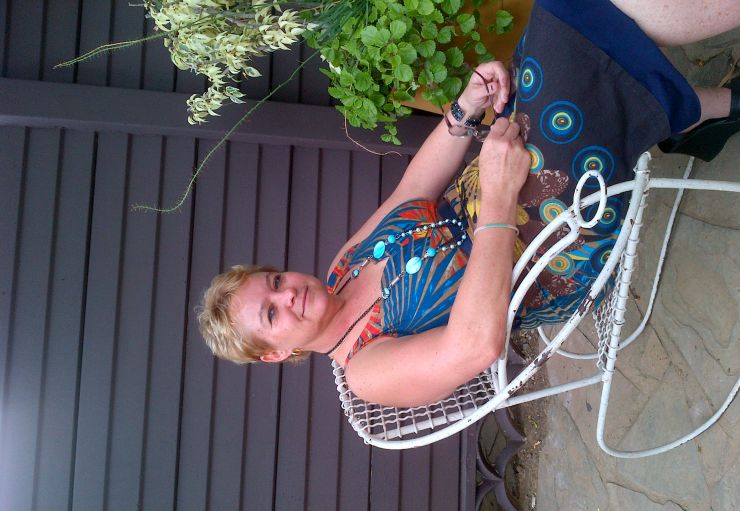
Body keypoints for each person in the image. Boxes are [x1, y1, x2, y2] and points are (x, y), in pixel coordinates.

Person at [198, 0, 740, 408]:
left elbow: (412, 192)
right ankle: (701, 112)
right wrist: (500, 195)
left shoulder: (344, 267)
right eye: (272, 314)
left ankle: (709, 111)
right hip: (549, 248)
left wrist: (465, 109)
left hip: (506, 169)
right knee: (573, 26)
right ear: (275, 354)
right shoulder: (366, 371)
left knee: (559, 28)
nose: (289, 293)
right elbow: (475, 346)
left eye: (274, 282)